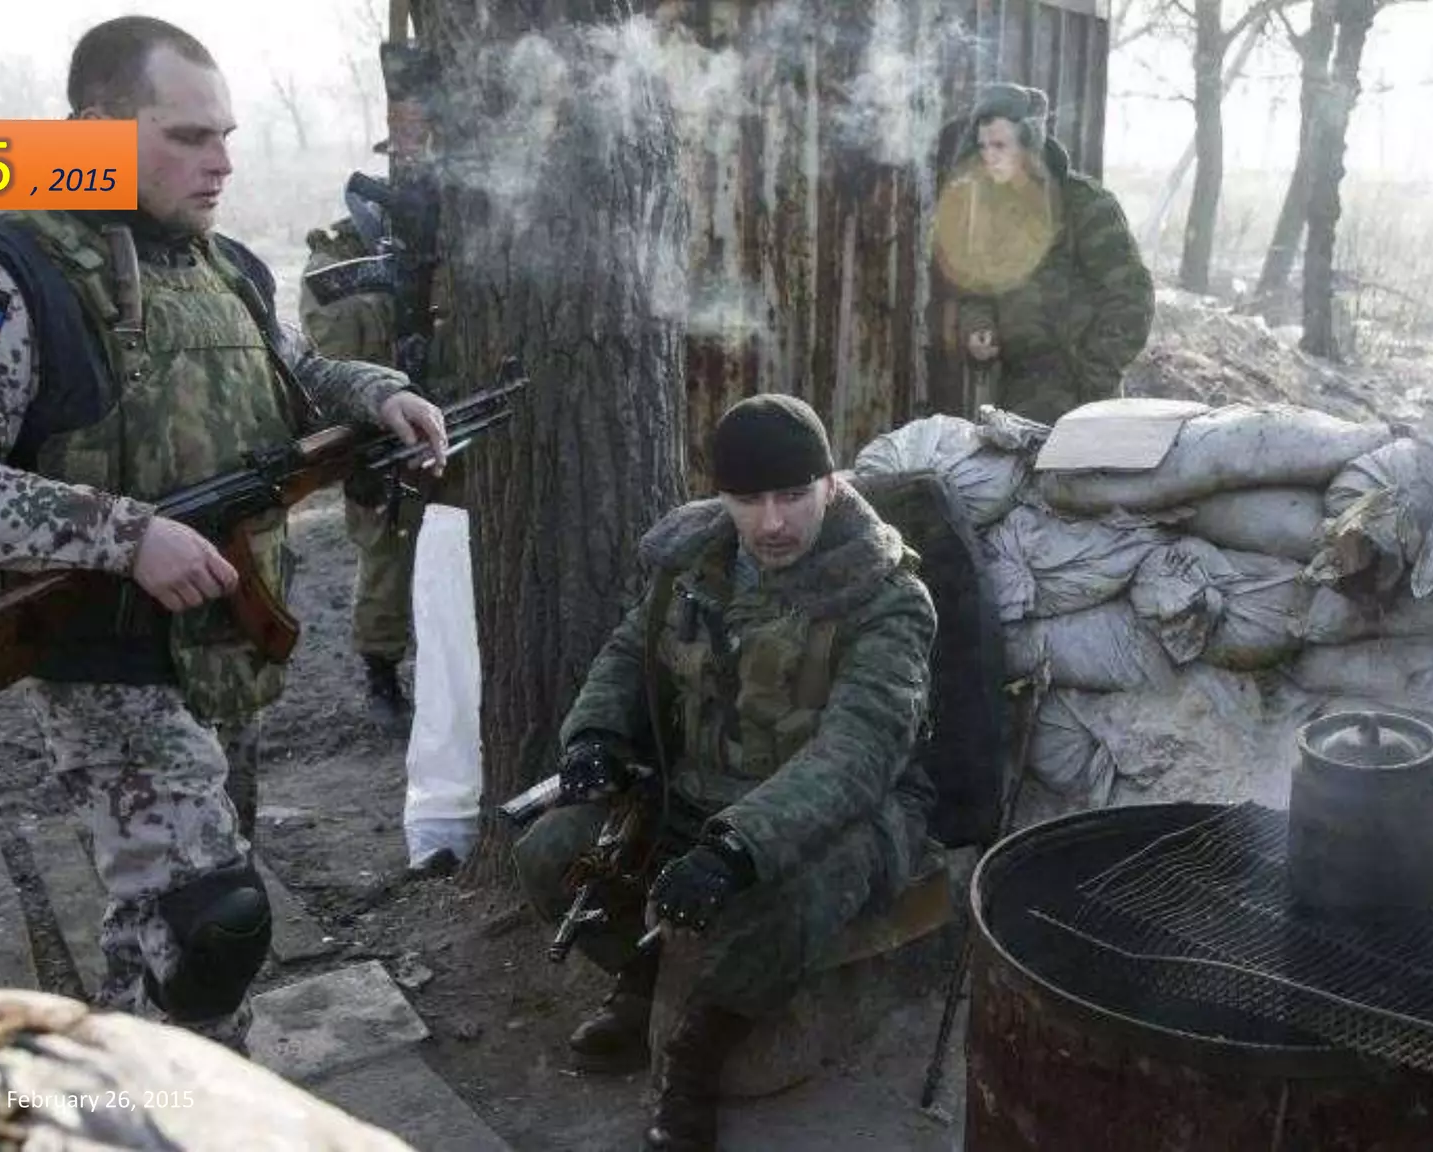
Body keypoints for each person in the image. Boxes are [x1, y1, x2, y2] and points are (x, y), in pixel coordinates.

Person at [0, 16, 449, 1052]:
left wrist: (378, 394)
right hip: (113, 666)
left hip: (221, 652)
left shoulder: (220, 264)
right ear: (93, 131)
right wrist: (125, 533)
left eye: (225, 134)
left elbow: (292, 374)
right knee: (211, 928)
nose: (222, 160)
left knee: (162, 934)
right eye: (188, 135)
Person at [512, 393, 937, 1150]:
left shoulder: (888, 596)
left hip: (840, 815)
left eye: (792, 496)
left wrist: (737, 847)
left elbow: (858, 754)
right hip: (693, 788)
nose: (772, 523)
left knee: (782, 902)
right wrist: (595, 737)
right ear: (722, 498)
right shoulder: (694, 566)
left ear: (831, 486)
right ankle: (643, 987)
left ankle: (695, 1054)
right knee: (548, 855)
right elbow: (625, 652)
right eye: (748, 500)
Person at [932, 82, 1156, 425]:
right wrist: (979, 330)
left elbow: (1132, 299)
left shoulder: (1085, 204)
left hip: (1085, 396)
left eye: (1000, 145)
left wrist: (1093, 374)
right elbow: (976, 292)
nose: (988, 156)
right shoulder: (989, 212)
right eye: (982, 146)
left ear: (1029, 145)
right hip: (1019, 394)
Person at [301, 198, 419, 727]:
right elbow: (327, 363)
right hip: (377, 431)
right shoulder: (341, 259)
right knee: (387, 555)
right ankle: (382, 675)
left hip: (442, 420)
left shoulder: (442, 230)